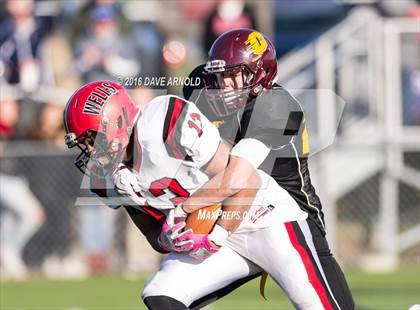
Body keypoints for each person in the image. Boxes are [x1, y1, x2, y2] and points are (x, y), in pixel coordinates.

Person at [63, 81, 349, 310]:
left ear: (115, 121)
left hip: (265, 217)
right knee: (161, 294)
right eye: (82, 144)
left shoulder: (162, 124)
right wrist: (167, 237)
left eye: (90, 139)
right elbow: (152, 232)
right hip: (209, 237)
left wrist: (214, 230)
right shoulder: (108, 176)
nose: (89, 151)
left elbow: (245, 181)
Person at [181, 28, 355, 309]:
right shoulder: (203, 87)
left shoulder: (276, 105)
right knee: (167, 295)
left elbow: (235, 176)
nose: (224, 85)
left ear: (260, 74)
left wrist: (182, 210)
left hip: (289, 220)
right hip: (229, 219)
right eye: (219, 76)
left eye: (234, 75)